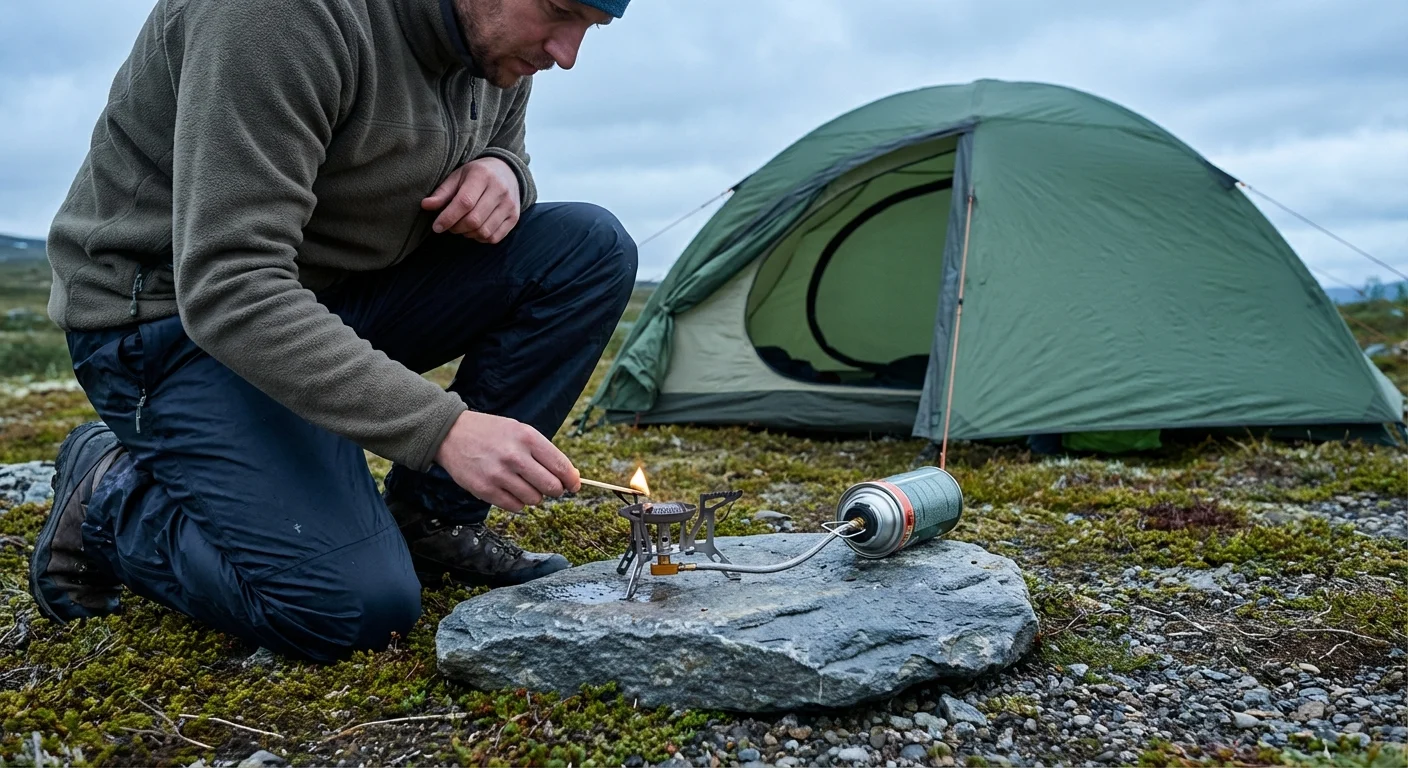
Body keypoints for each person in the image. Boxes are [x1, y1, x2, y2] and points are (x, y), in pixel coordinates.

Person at [29, 0, 636, 663]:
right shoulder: (279, 17)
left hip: (328, 298)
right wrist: (442, 429)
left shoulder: (494, 42)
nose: (567, 53)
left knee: (589, 250)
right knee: (347, 608)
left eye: (593, 27)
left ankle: (432, 521)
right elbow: (231, 283)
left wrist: (505, 171)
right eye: (558, 11)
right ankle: (108, 496)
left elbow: (493, 139)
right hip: (167, 324)